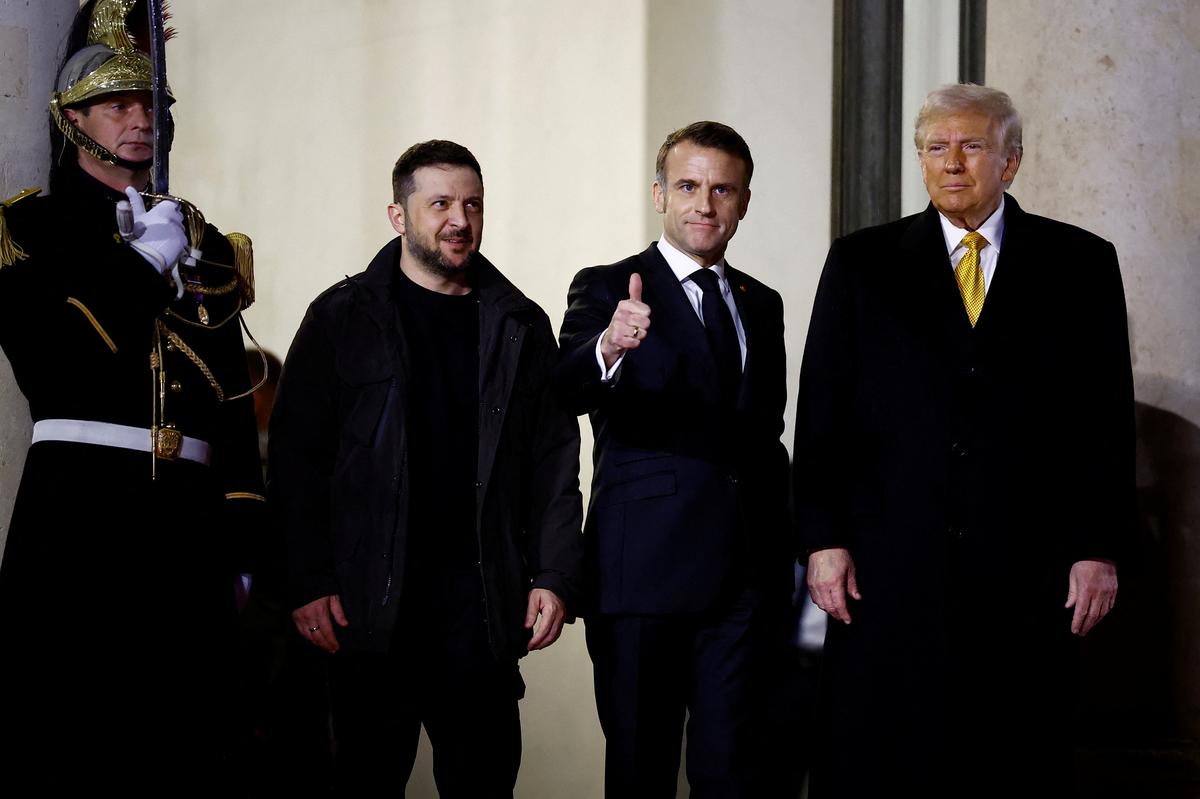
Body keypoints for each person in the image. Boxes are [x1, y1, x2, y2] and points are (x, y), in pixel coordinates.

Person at [795, 84, 1134, 797]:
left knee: (1013, 759)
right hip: (888, 569)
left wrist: (1097, 546)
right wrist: (821, 539)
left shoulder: (1081, 263)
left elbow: (1103, 421)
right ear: (919, 159)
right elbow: (822, 412)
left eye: (972, 145)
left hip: (1027, 571)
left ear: (1010, 161)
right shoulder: (862, 263)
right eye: (936, 147)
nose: (953, 162)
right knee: (888, 762)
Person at [0, 0, 265, 787]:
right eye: (118, 105)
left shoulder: (205, 241)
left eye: (152, 105)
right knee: (76, 737)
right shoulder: (33, 231)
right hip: (78, 515)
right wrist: (142, 268)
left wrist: (243, 530)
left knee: (184, 741)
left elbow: (228, 408)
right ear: (71, 117)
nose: (141, 121)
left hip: (185, 526)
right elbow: (55, 366)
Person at [270, 139, 584, 798]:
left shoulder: (520, 323)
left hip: (481, 617)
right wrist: (307, 579)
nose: (459, 219)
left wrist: (554, 574)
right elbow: (298, 458)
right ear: (397, 214)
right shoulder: (341, 316)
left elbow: (553, 461)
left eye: (471, 204)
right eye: (439, 202)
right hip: (368, 614)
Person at [556, 121, 793, 797]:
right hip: (642, 577)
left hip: (745, 583)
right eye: (688, 185)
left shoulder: (762, 304)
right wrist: (610, 345)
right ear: (658, 193)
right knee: (642, 770)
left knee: (733, 772)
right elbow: (564, 386)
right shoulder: (608, 287)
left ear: (745, 201)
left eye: (723, 189)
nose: (705, 203)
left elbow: (763, 438)